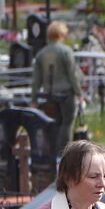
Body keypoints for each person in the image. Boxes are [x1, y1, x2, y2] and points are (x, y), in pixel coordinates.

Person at [31, 21, 83, 156]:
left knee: (53, 124)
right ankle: (64, 154)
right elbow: (72, 74)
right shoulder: (66, 51)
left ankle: (51, 153)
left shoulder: (41, 53)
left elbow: (36, 80)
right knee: (67, 124)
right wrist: (79, 92)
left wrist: (34, 98)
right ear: (61, 34)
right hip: (66, 93)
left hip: (49, 94)